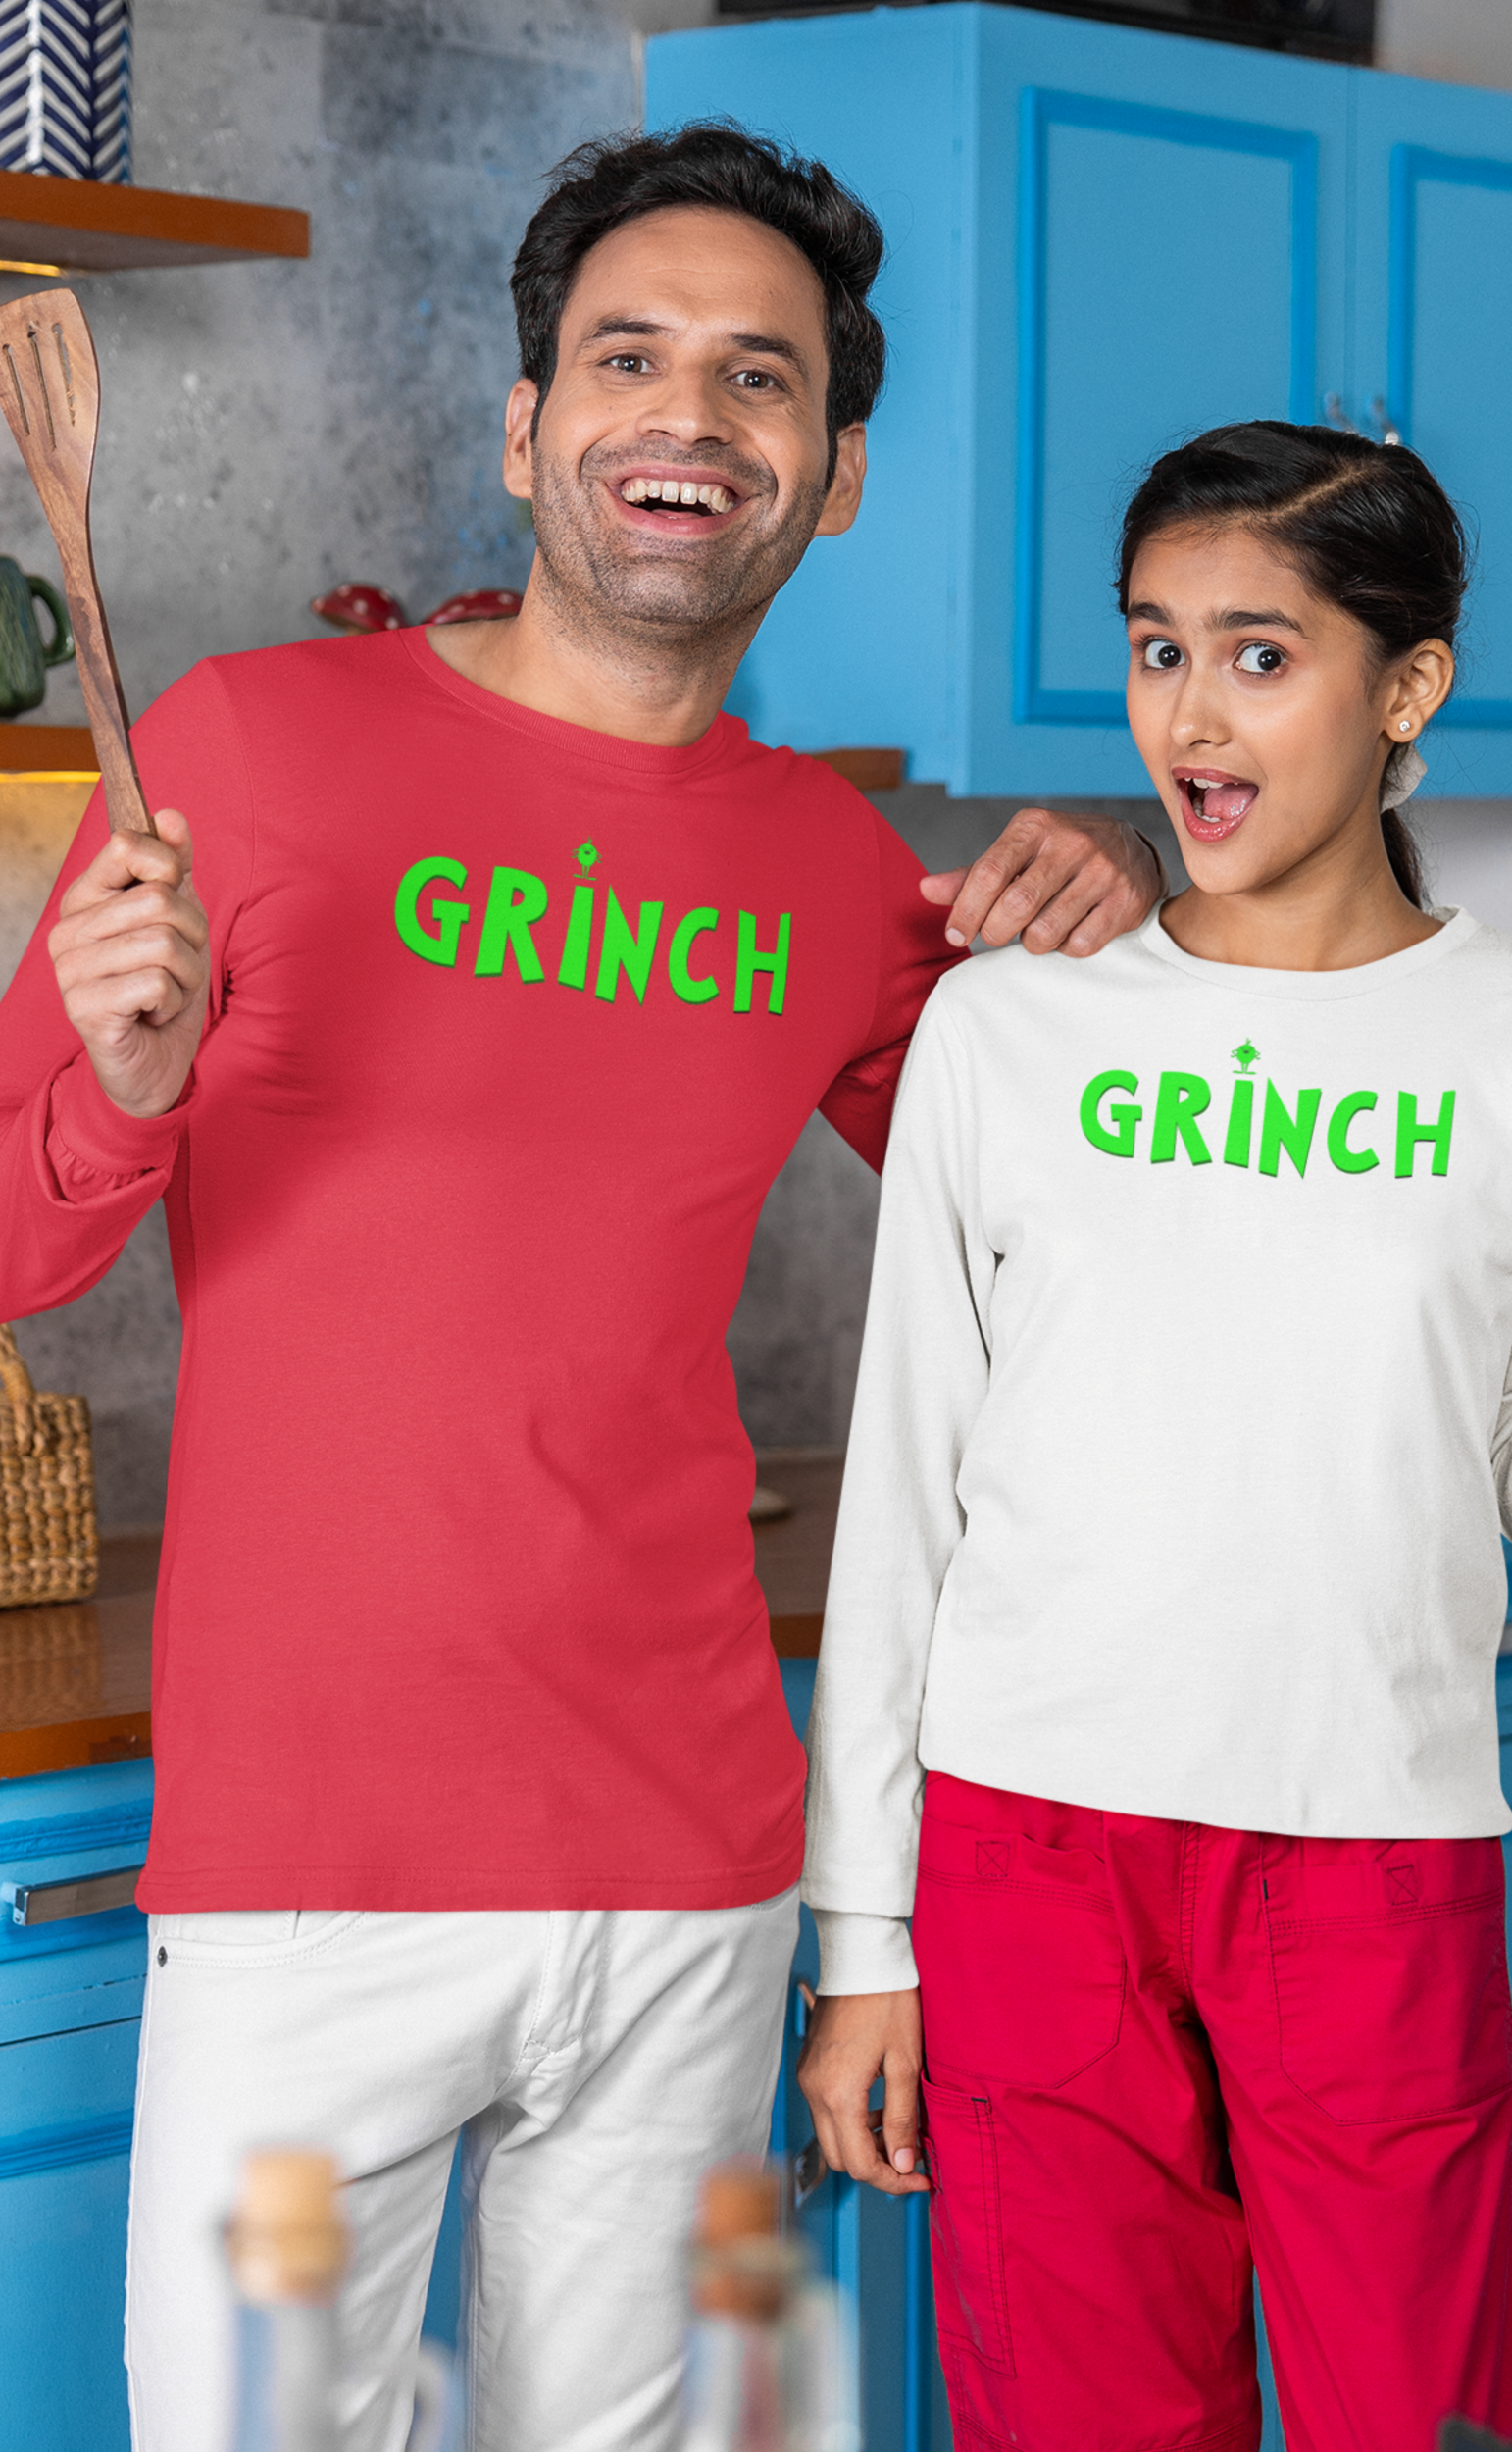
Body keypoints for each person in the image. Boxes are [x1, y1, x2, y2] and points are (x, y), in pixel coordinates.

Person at [0, 127, 1161, 2452]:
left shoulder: (833, 872)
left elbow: (1103, 1253)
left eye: (759, 375)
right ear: (528, 428)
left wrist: (1134, 919)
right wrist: (123, 1079)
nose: (687, 412)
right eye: (627, 356)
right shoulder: (239, 749)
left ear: (833, 476)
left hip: (691, 1873)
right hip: (311, 1873)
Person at [795, 420, 1512, 2452]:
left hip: (1367, 1851)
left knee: (1412, 2411)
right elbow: (907, 1490)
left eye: (1260, 654)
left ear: (1408, 687)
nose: (1189, 716)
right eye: (1157, 648)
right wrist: (862, 1935)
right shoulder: (1009, 1027)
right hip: (1027, 1848)